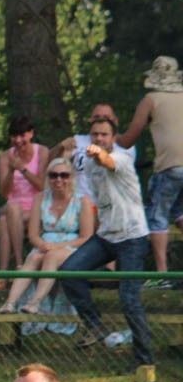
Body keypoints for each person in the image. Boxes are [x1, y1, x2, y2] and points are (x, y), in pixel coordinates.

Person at [59, 117, 155, 368]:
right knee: (68, 272)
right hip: (106, 236)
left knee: (129, 300)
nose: (99, 138)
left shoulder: (121, 158)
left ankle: (144, 361)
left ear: (113, 138)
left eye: (104, 134)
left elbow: (107, 161)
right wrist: (70, 157)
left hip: (132, 237)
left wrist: (98, 153)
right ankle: (95, 325)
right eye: (95, 135)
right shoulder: (89, 166)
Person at [0, 159, 94, 328]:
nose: (58, 180)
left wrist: (56, 247)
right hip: (45, 243)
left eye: (64, 175)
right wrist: (40, 244)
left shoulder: (82, 201)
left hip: (71, 246)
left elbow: (86, 236)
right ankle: (10, 303)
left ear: (71, 177)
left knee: (52, 256)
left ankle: (36, 302)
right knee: (33, 258)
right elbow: (33, 233)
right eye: (53, 175)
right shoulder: (40, 198)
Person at [116, 56, 183, 282]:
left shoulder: (150, 100)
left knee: (157, 217)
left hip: (170, 166)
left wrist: (112, 139)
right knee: (179, 213)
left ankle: (161, 275)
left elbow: (129, 138)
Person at [47, 103, 135, 203]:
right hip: (78, 204)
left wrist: (98, 154)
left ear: (115, 121)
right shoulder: (77, 141)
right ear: (90, 120)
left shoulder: (125, 146)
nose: (101, 120)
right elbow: (52, 164)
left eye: (106, 117)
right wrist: (60, 146)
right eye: (96, 117)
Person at [0, 115, 50, 273]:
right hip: (14, 206)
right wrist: (11, 171)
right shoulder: (5, 157)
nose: (18, 140)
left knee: (3, 221)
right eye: (14, 136)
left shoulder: (42, 152)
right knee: (12, 208)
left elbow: (42, 186)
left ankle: (4, 271)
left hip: (37, 206)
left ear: (31, 134)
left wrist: (23, 169)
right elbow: (4, 192)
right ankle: (20, 264)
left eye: (22, 135)